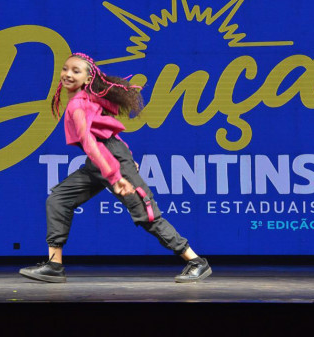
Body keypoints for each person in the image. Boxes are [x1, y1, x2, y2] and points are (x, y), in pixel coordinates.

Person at [19, 52, 211, 283]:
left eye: (75, 71)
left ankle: (195, 261)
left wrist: (117, 173)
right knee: (58, 200)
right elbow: (105, 135)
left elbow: (91, 142)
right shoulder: (84, 100)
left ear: (88, 79)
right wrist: (123, 158)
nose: (68, 74)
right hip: (100, 162)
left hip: (109, 162)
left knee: (146, 215)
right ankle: (54, 265)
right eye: (65, 69)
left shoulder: (79, 105)